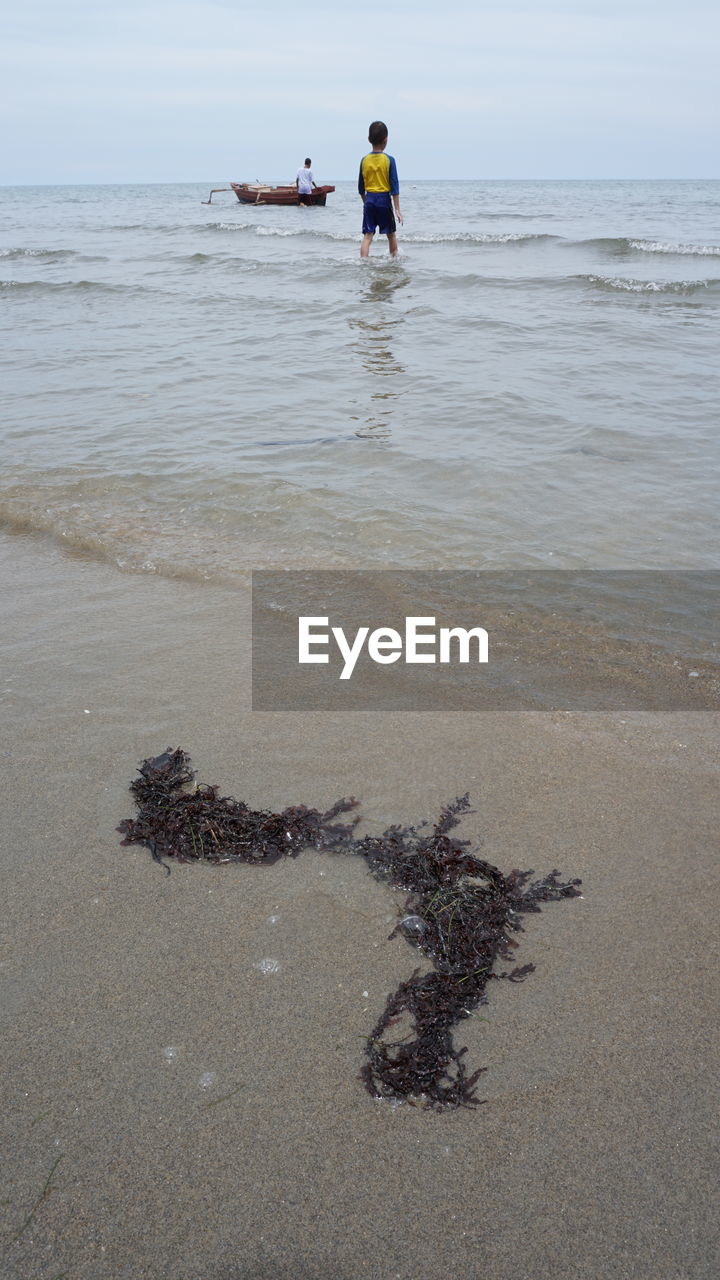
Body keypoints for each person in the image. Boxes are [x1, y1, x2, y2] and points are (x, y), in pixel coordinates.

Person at [358, 121, 403, 257]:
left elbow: (361, 188)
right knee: (391, 235)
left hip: (369, 199)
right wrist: (397, 209)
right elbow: (394, 186)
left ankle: (363, 262)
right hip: (384, 200)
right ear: (386, 139)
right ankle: (394, 261)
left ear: (369, 139)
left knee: (367, 236)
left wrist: (366, 202)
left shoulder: (364, 160)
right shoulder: (389, 160)